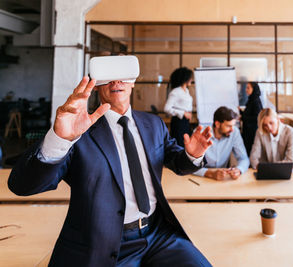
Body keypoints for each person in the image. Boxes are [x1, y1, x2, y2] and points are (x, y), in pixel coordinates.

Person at [8, 56, 213, 267]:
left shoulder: (153, 124)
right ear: (96, 85)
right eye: (108, 77)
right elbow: (22, 185)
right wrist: (59, 139)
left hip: (159, 233)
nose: (116, 82)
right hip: (105, 242)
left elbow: (177, 162)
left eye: (123, 75)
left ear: (133, 81)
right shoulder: (79, 132)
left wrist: (193, 155)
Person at [193, 106, 249, 180]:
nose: (232, 130)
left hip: (222, 177)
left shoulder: (234, 132)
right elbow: (190, 165)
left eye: (233, 125)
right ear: (217, 124)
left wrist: (239, 170)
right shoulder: (200, 133)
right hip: (201, 177)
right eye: (228, 126)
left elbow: (244, 158)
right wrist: (211, 173)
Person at [164, 67, 194, 147]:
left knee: (186, 145)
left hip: (186, 123)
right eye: (190, 77)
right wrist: (183, 113)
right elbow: (167, 108)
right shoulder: (176, 91)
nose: (191, 79)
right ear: (185, 78)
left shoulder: (186, 91)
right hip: (178, 122)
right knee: (179, 145)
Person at [240, 82, 263, 155]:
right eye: (246, 87)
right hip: (248, 131)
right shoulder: (251, 100)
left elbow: (257, 117)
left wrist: (243, 117)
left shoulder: (255, 101)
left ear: (254, 89)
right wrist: (241, 112)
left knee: (250, 152)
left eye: (248, 88)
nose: (246, 90)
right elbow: (249, 114)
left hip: (252, 132)